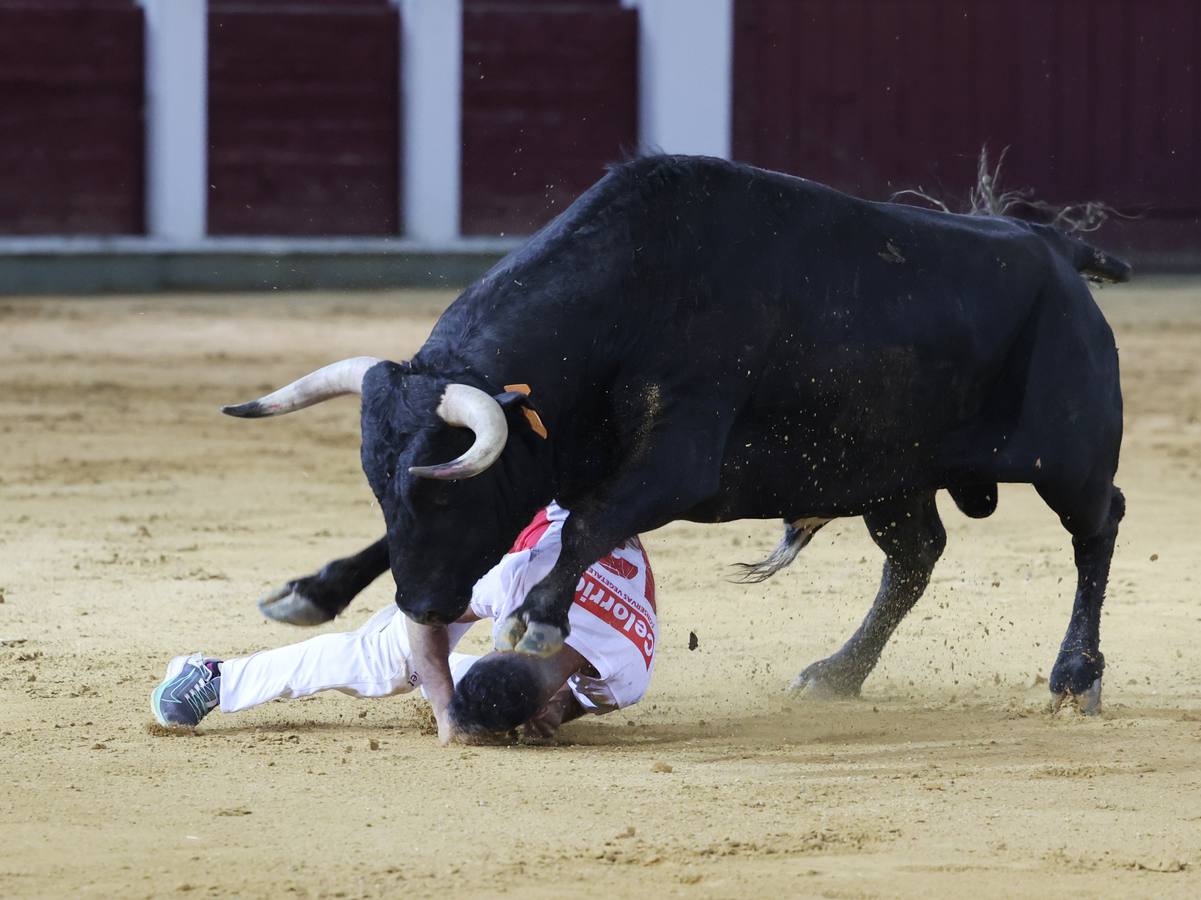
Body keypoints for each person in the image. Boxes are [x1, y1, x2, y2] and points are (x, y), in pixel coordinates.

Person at [151, 503, 657, 742]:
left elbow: (580, 699)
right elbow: (423, 608)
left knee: (432, 674)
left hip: (583, 535)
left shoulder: (629, 668)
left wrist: (559, 712)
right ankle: (214, 677)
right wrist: (443, 708)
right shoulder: (513, 584)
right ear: (506, 641)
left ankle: (460, 689)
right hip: (504, 521)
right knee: (390, 665)